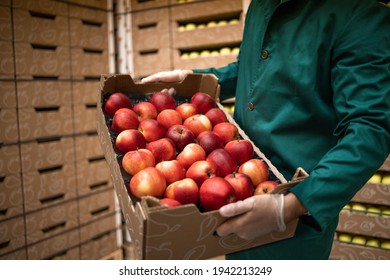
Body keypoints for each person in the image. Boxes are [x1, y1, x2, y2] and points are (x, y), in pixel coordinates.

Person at [141, 0, 390, 259]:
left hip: (294, 217)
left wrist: (290, 207)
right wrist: (195, 78)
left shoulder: (360, 14)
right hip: (231, 186)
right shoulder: (262, 5)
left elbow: (371, 128)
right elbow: (252, 68)